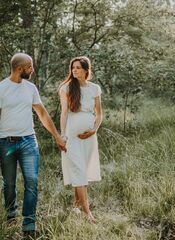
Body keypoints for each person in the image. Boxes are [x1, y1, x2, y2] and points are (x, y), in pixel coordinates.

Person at [0, 53, 66, 237]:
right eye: (30, 67)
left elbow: (43, 114)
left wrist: (56, 136)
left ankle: (29, 225)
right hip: (5, 143)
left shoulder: (30, 88)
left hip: (28, 142)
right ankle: (10, 214)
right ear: (20, 69)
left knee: (32, 182)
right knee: (9, 183)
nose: (32, 70)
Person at [59, 56, 102, 223]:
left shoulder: (94, 88)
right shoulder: (66, 87)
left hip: (90, 137)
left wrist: (93, 130)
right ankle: (87, 213)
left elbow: (99, 114)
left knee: (81, 170)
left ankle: (76, 205)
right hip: (72, 136)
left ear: (86, 70)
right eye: (73, 68)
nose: (74, 70)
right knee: (79, 171)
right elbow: (64, 113)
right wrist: (63, 136)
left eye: (78, 67)